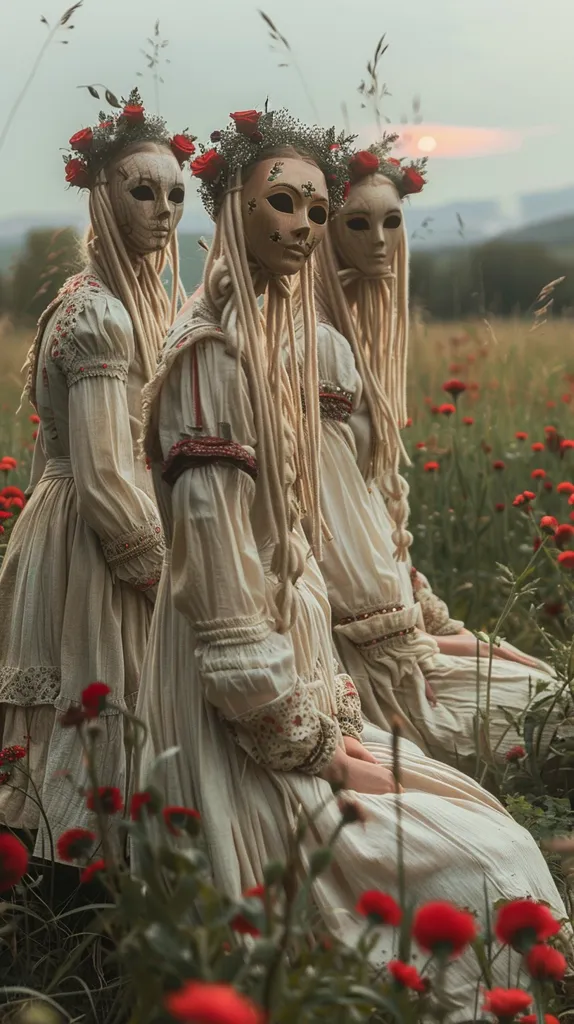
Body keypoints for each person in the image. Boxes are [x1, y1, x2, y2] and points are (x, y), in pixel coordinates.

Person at [136, 111, 565, 1019]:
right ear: (228, 209)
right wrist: (314, 744)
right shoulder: (211, 358)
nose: (301, 227)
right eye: (278, 204)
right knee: (489, 864)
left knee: (495, 840)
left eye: (313, 210)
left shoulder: (295, 343)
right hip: (242, 700)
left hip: (305, 671)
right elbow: (221, 588)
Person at [309, 138, 557, 770]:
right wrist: (425, 642)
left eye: (393, 221)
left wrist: (442, 626)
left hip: (394, 610)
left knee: (542, 684)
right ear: (324, 231)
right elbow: (331, 527)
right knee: (547, 708)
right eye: (357, 224)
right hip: (351, 631)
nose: (380, 240)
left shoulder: (355, 332)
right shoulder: (314, 342)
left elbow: (375, 513)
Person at [0, 89, 195, 859]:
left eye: (176, 194)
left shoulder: (127, 300)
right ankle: (76, 898)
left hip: (91, 525)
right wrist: (174, 580)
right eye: (141, 191)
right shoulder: (99, 313)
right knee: (98, 704)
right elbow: (109, 479)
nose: (164, 210)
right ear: (99, 195)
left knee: (116, 713)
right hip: (90, 539)